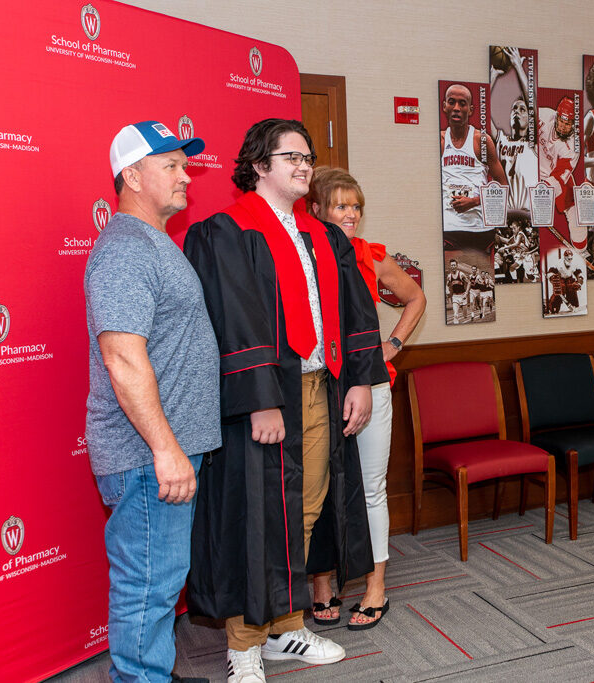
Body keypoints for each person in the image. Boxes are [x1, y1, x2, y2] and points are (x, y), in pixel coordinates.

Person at [184, 119, 387, 683]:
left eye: (308, 156)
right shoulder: (227, 232)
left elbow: (355, 314)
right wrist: (259, 399)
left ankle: (286, 626)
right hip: (270, 395)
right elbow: (233, 320)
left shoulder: (323, 237)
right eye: (291, 157)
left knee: (308, 507)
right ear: (259, 165)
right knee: (260, 517)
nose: (304, 166)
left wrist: (360, 381)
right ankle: (244, 646)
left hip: (320, 387)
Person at [85, 121, 218, 683]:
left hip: (164, 452)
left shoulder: (153, 243)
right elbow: (122, 358)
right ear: (132, 176)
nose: (186, 176)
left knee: (161, 582)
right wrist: (165, 449)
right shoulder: (122, 250)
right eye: (172, 166)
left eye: (184, 166)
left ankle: (151, 674)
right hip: (148, 458)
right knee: (147, 587)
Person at [305, 167, 426, 631]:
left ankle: (376, 585)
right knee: (319, 486)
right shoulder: (303, 256)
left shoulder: (369, 256)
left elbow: (415, 298)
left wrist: (390, 345)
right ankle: (322, 584)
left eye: (356, 205)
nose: (351, 214)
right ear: (315, 209)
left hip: (371, 384)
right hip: (318, 386)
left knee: (371, 488)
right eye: (340, 205)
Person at [440, 83, 508, 245]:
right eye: (452, 102)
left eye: (462, 104)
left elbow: (503, 186)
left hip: (479, 227)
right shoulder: (440, 140)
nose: (456, 108)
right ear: (444, 107)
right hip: (448, 227)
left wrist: (474, 201)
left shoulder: (481, 141)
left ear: (470, 110)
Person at [489, 47, 538, 212]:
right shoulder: (501, 138)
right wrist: (492, 77)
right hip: (505, 215)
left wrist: (518, 66)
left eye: (522, 110)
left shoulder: (533, 141)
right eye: (514, 109)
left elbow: (532, 104)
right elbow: (482, 114)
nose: (517, 111)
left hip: (528, 215)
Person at [537, 95, 583, 248]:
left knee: (572, 203)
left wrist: (543, 192)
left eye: (567, 124)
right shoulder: (543, 115)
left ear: (574, 125)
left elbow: (559, 177)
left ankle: (581, 247)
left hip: (552, 176)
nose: (563, 126)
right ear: (556, 117)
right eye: (561, 122)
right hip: (533, 163)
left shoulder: (572, 147)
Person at [545, 248, 584, 314]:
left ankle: (574, 304)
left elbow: (579, 274)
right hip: (560, 279)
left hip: (569, 279)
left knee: (572, 286)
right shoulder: (558, 263)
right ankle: (553, 306)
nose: (570, 260)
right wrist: (553, 278)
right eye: (568, 259)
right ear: (564, 258)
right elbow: (550, 272)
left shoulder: (574, 263)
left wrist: (579, 283)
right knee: (559, 289)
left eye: (571, 258)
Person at [445, 258, 470, 324]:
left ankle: (464, 312)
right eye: (452, 265)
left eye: (454, 265)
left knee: (465, 316)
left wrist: (466, 293)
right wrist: (447, 290)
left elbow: (469, 283)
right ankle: (456, 323)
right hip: (455, 296)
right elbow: (447, 285)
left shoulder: (461, 274)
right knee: (455, 314)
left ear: (457, 266)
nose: (453, 267)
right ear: (450, 266)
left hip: (463, 296)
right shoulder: (449, 276)